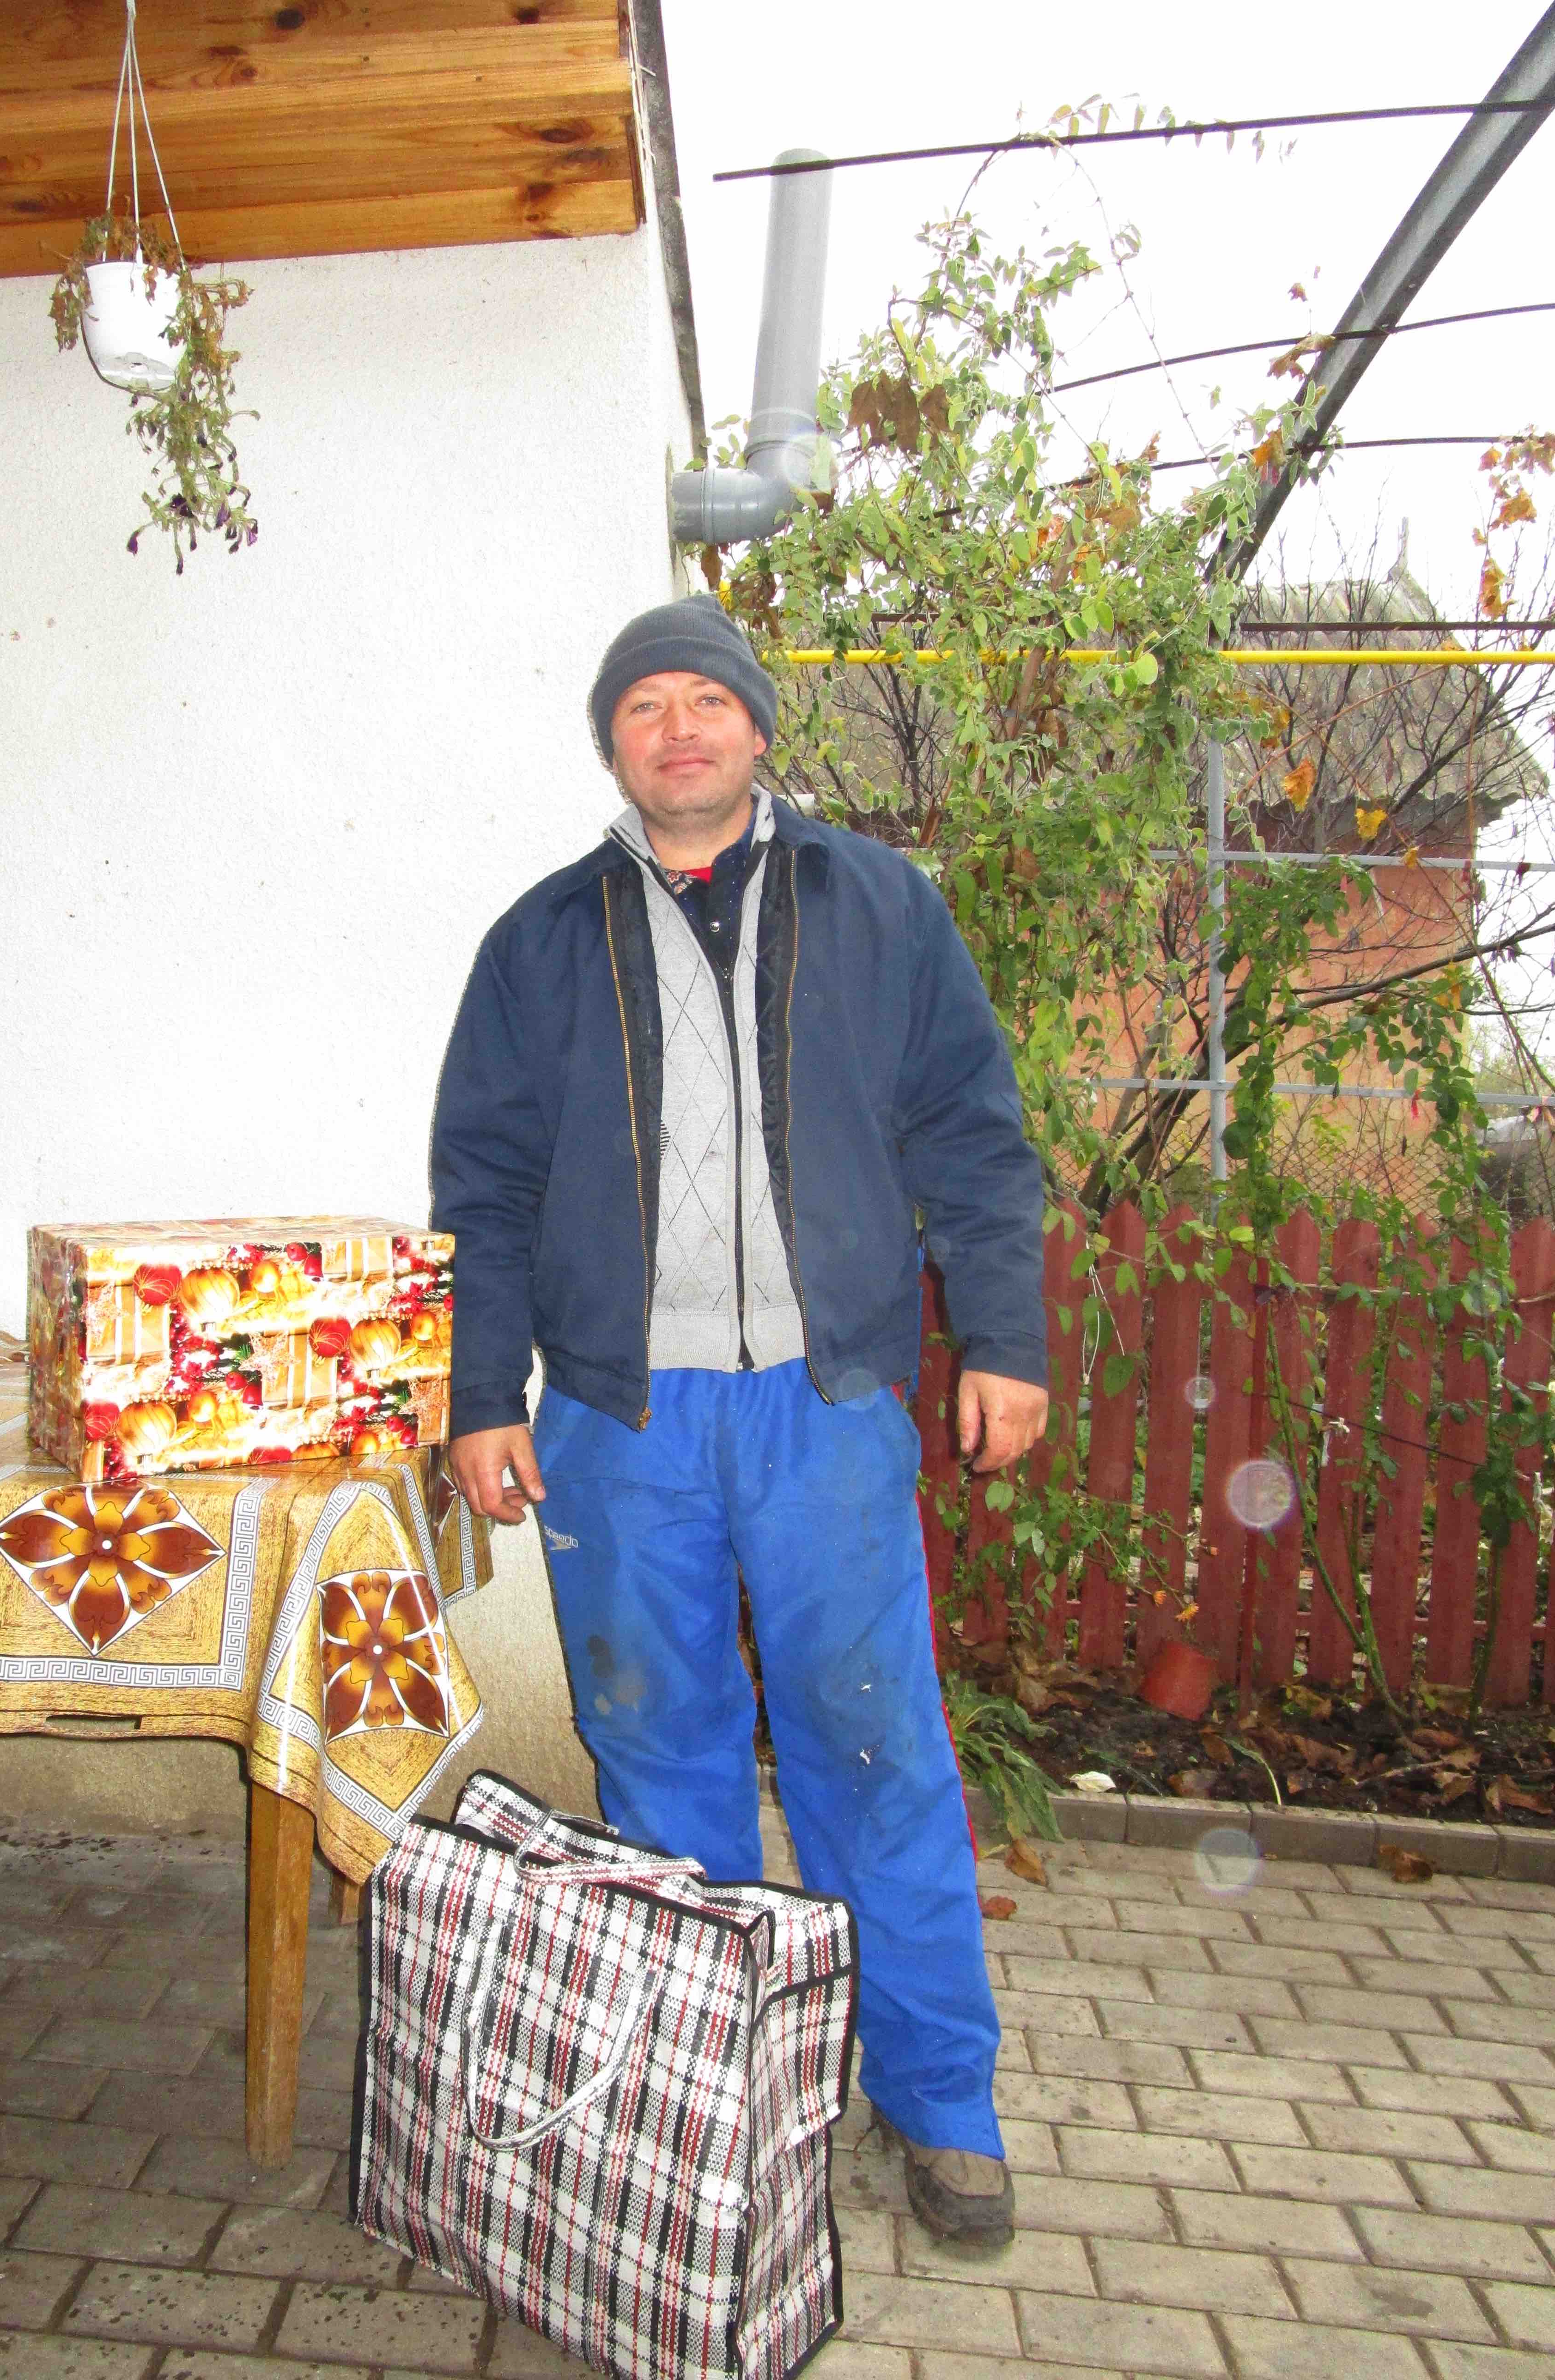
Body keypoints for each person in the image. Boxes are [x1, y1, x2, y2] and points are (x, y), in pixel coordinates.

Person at [431, 592, 1048, 2246]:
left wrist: (1002, 1337)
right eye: (646, 707)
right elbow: (483, 1188)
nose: (680, 729)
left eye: (707, 700)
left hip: (823, 1407)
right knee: (661, 1764)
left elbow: (973, 1134)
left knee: (876, 1752)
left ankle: (940, 2101)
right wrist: (484, 1393)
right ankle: (710, 2099)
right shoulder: (540, 942)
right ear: (613, 745)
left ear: (759, 729)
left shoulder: (879, 906)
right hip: (620, 1420)